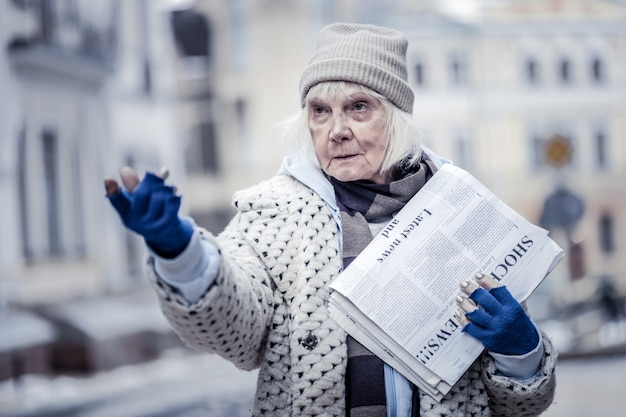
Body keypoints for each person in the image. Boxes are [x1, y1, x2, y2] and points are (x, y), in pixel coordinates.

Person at [104, 23, 556, 417]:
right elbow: (234, 332)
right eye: (320, 111)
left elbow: (521, 405)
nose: (336, 128)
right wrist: (179, 250)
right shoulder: (272, 214)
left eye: (358, 106)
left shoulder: (461, 210)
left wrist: (522, 352)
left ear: (396, 118)